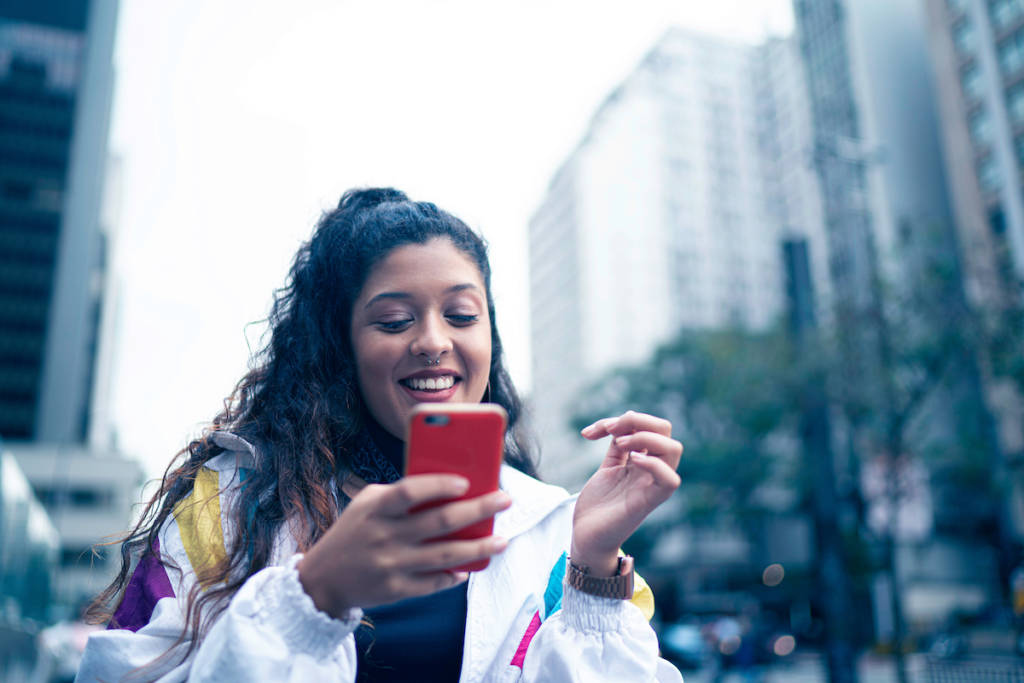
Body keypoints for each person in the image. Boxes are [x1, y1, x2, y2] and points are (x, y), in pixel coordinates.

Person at [76, 188, 684, 682]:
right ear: (340, 346)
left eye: (462, 315)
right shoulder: (231, 503)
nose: (433, 341)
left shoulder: (561, 530)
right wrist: (312, 596)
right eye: (394, 320)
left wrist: (595, 567)